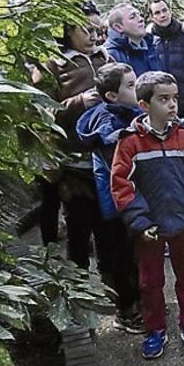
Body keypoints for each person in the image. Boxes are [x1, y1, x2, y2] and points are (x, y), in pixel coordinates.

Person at [110, 71, 184, 359]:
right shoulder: (130, 142)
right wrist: (141, 221)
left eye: (174, 98)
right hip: (151, 227)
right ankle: (155, 329)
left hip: (182, 222)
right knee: (150, 282)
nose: (172, 105)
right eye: (163, 99)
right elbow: (122, 185)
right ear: (144, 105)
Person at [42, 1, 114, 271]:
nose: (94, 36)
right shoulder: (55, 64)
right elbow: (44, 112)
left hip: (107, 161)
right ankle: (79, 295)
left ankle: (121, 300)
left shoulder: (107, 59)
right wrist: (80, 102)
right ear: (68, 30)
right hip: (73, 165)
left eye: (98, 29)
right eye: (87, 30)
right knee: (78, 233)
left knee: (110, 233)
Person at [76, 62, 144, 334]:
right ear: (111, 96)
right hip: (116, 207)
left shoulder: (128, 112)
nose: (137, 88)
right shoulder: (108, 120)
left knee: (133, 257)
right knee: (121, 259)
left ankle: (137, 303)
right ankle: (126, 310)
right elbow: (112, 143)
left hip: (126, 203)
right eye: (130, 85)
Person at [105, 3, 162, 76]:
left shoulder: (153, 46)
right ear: (118, 27)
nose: (141, 19)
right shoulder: (111, 55)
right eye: (132, 17)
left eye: (139, 15)